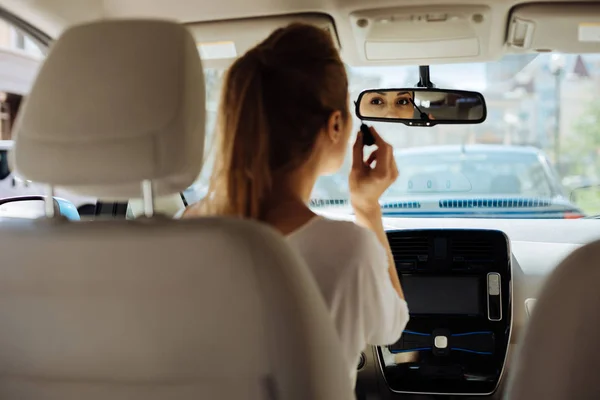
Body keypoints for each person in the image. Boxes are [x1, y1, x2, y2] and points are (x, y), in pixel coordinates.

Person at [181, 23, 409, 385]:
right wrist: (367, 209)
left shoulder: (186, 229)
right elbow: (393, 327)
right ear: (336, 125)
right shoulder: (349, 250)